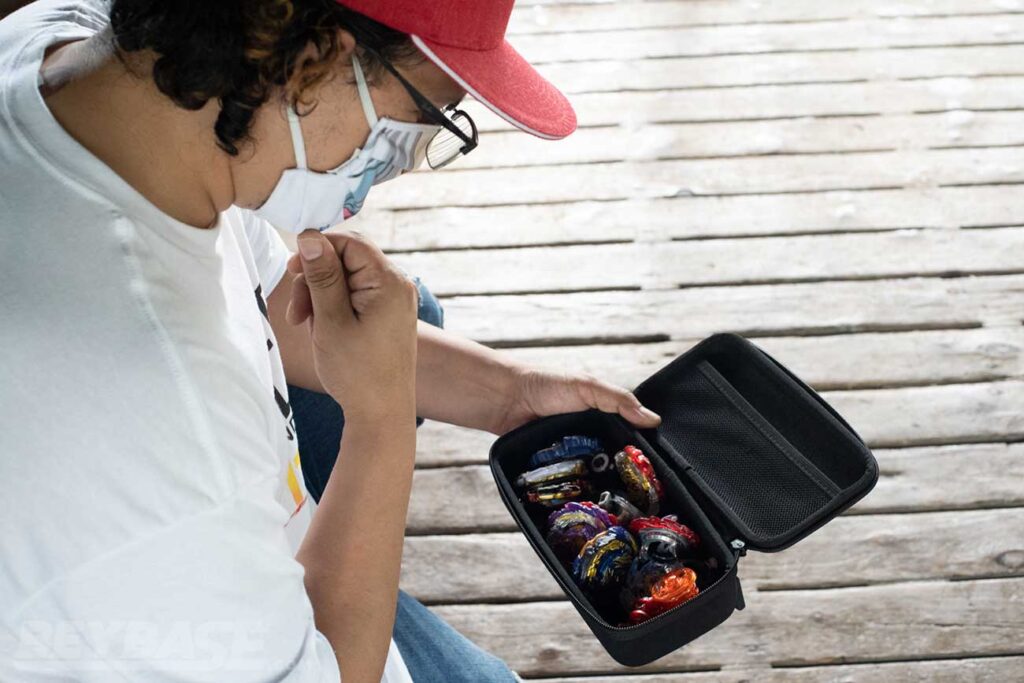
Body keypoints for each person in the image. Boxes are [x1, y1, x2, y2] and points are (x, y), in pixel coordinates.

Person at [0, 0, 664, 681]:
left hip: (187, 552)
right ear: (312, 65)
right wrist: (380, 427)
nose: (403, 165)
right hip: (252, 627)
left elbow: (270, 307)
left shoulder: (68, 50)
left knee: (404, 315)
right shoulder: (163, 418)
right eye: (421, 123)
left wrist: (513, 396)